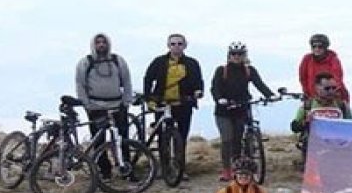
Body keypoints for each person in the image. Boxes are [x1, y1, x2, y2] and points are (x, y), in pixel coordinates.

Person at [142, 33, 205, 178]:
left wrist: (198, 92)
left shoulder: (192, 63)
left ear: (185, 45)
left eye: (179, 44)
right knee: (162, 138)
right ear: (168, 46)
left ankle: (180, 168)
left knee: (181, 137)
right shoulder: (158, 62)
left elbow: (198, 81)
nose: (176, 46)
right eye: (173, 44)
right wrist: (149, 98)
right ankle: (164, 168)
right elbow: (148, 79)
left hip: (184, 103)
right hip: (162, 103)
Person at [211, 42, 276, 182]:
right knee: (227, 139)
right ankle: (227, 170)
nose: (236, 57)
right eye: (234, 54)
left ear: (244, 55)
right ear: (229, 55)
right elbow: (214, 88)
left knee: (238, 139)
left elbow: (259, 84)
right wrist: (219, 99)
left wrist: (270, 95)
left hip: (242, 107)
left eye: (240, 54)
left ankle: (241, 167)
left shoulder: (249, 70)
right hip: (224, 111)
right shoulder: (221, 70)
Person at [75, 33, 134, 177]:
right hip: (95, 106)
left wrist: (126, 101)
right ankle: (104, 171)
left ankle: (126, 167)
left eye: (104, 42)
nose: (101, 45)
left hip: (117, 105)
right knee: (98, 140)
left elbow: (126, 81)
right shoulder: (85, 62)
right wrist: (86, 104)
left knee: (122, 138)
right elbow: (80, 84)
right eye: (98, 42)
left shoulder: (118, 60)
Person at [291, 73, 352, 148]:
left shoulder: (342, 105)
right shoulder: (308, 105)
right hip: (313, 149)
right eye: (327, 88)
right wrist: (306, 122)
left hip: (337, 148)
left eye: (334, 88)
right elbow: (294, 127)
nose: (331, 91)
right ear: (317, 88)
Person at [298, 34, 350, 103]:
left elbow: (337, 78)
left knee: (343, 110)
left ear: (325, 47)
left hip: (333, 96)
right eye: (314, 46)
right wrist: (307, 94)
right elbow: (303, 78)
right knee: (302, 112)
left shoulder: (333, 59)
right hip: (313, 98)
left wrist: (332, 93)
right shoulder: (307, 59)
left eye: (320, 47)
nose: (317, 49)